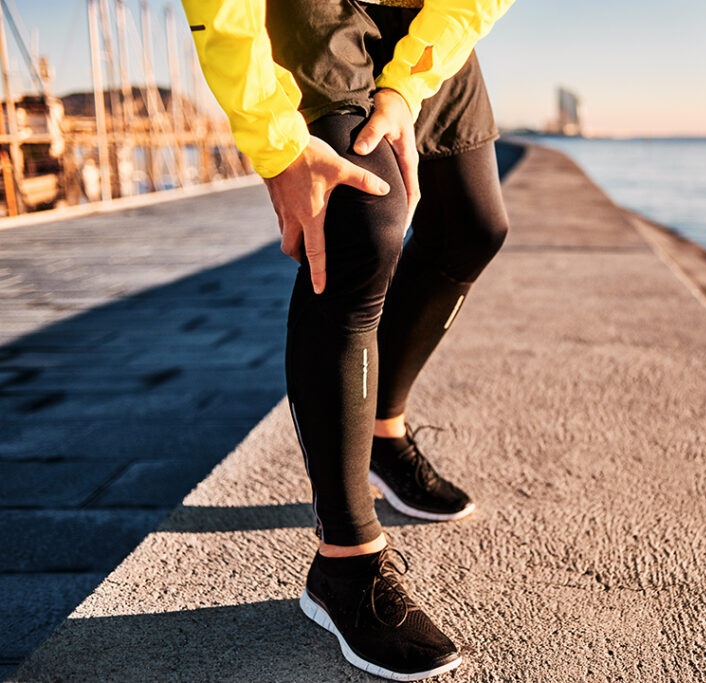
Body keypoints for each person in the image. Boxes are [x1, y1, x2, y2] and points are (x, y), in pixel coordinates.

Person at [182, 0, 515, 678]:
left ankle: (383, 433)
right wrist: (277, 142)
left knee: (473, 226)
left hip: (429, 17)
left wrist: (404, 87)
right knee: (360, 229)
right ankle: (345, 562)